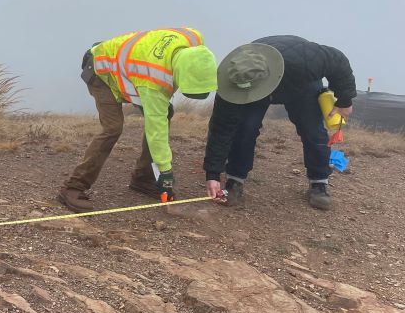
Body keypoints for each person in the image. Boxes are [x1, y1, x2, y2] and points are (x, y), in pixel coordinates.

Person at [57, 28, 218, 211]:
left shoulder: (194, 39)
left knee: (163, 114)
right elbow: (156, 130)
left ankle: (142, 178)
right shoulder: (153, 81)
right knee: (113, 128)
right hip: (100, 70)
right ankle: (72, 187)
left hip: (126, 68)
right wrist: (165, 173)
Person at [203, 36, 356, 210]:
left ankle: (319, 183)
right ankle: (235, 180)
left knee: (312, 131)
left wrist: (345, 99)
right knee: (244, 128)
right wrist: (213, 173)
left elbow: (338, 61)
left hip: (299, 84)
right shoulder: (235, 79)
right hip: (252, 85)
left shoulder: (305, 61)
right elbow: (221, 128)